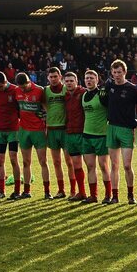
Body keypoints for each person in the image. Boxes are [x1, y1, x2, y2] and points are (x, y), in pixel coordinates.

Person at [103, 59, 137, 203]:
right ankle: (115, 195)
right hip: (111, 127)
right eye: (114, 72)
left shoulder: (132, 89)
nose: (117, 75)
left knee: (127, 165)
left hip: (126, 129)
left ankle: (131, 195)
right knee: (114, 165)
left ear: (124, 72)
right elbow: (103, 103)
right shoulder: (109, 86)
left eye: (119, 72)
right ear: (111, 73)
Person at [13, 72, 47, 199]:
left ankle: (47, 191)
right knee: (26, 162)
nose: (22, 89)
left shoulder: (39, 90)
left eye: (25, 86)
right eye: (20, 87)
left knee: (43, 161)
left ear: (29, 82)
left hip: (38, 130)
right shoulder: (16, 91)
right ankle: (26, 191)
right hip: (23, 130)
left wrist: (46, 122)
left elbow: (46, 108)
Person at [80, 69, 110, 204]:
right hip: (87, 135)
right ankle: (93, 195)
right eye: (87, 78)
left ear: (97, 80)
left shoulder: (102, 95)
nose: (89, 80)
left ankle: (108, 194)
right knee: (90, 166)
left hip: (102, 136)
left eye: (92, 78)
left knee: (103, 166)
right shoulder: (83, 95)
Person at [42, 67, 71, 198]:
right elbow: (43, 104)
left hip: (65, 129)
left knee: (69, 161)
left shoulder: (66, 88)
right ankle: (61, 190)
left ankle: (73, 190)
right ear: (48, 78)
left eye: (55, 76)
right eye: (51, 77)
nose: (53, 79)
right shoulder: (46, 91)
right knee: (56, 162)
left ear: (60, 77)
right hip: (52, 130)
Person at [0, 71, 21, 199]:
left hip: (13, 130)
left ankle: (17, 190)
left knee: (14, 158)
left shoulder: (15, 90)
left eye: (1, 86)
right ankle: (1, 191)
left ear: (5, 82)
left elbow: (21, 108)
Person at [62, 72, 90, 201]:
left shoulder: (84, 93)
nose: (69, 83)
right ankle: (81, 192)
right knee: (76, 165)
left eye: (71, 81)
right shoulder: (66, 96)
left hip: (83, 134)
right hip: (70, 133)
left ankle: (94, 194)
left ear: (77, 81)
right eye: (66, 81)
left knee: (90, 165)